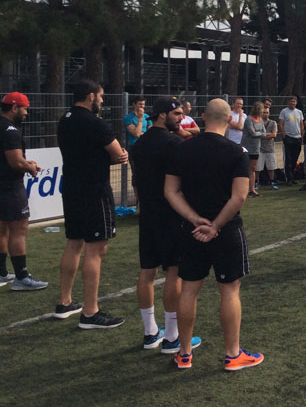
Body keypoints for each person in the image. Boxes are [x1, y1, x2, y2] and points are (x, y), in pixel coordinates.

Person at [164, 98, 263, 371]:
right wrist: (216, 225)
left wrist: (196, 219)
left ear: (202, 117)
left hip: (192, 230)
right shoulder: (236, 152)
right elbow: (239, 196)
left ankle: (184, 353)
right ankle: (233, 354)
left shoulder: (183, 149)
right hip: (226, 230)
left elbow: (171, 191)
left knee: (189, 290)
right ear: (230, 118)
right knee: (229, 290)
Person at [55, 79, 129, 327]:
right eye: (100, 96)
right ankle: (90, 311)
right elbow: (118, 153)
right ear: (90, 96)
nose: (102, 101)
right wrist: (113, 158)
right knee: (95, 248)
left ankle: (65, 302)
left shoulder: (64, 120)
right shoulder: (95, 124)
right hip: (94, 190)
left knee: (74, 242)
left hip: (72, 187)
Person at [130, 97, 201, 352]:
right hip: (171, 216)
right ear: (162, 115)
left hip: (147, 213)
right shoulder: (174, 143)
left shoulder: (139, 144)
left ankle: (150, 332)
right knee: (173, 271)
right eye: (177, 114)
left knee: (147, 271)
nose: (182, 118)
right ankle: (172, 336)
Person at [0, 92, 47, 290]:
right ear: (14, 108)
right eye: (25, 108)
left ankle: (2, 272)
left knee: (2, 228)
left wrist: (25, 163)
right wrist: (30, 166)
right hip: (10, 186)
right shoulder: (10, 130)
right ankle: (21, 276)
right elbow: (15, 162)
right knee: (18, 229)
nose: (26, 113)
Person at [241, 102, 266, 197]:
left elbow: (263, 133)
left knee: (252, 169)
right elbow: (252, 133)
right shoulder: (248, 119)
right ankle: (244, 189)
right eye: (262, 109)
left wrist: (259, 133)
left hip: (256, 148)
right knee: (245, 168)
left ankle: (252, 190)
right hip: (247, 148)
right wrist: (260, 133)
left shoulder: (260, 120)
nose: (263, 111)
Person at [279, 96, 304, 185]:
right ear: (288, 102)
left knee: (295, 158)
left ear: (296, 103)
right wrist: (284, 135)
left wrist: (302, 135)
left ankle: (293, 177)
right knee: (288, 159)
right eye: (291, 102)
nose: (292, 103)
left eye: (294, 102)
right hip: (288, 137)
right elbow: (281, 124)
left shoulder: (299, 112)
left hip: (297, 137)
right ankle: (288, 178)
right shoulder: (284, 111)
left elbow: (301, 124)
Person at [257, 105, 279, 191]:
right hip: (259, 148)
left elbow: (274, 135)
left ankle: (272, 182)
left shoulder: (273, 123)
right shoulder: (258, 122)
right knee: (258, 168)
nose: (265, 114)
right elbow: (256, 134)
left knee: (271, 167)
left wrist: (263, 135)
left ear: (269, 113)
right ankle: (256, 182)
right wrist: (267, 135)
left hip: (270, 148)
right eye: (263, 113)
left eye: (267, 113)